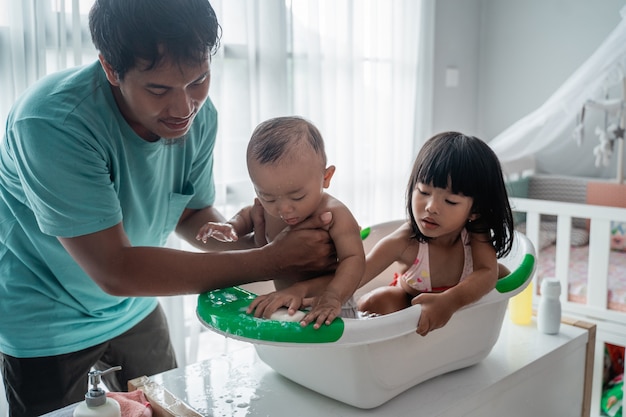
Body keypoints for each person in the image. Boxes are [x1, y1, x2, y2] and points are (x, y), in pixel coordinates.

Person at [0, 1, 336, 416]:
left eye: (198, 81)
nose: (183, 109)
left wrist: (259, 240)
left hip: (136, 307)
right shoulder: (51, 123)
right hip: (47, 318)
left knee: (171, 409)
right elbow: (116, 270)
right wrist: (271, 260)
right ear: (110, 68)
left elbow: (190, 215)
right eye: (158, 90)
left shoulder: (198, 115)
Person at [197, 116, 365, 329]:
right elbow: (247, 216)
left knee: (337, 355)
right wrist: (231, 227)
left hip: (329, 304)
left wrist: (333, 296)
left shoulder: (334, 214)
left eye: (297, 197)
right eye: (268, 197)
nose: (283, 209)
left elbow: (355, 259)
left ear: (326, 177)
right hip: (285, 304)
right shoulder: (269, 209)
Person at [356, 131, 514, 336]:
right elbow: (357, 274)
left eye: (450, 201)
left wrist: (451, 301)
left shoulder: (476, 232)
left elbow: (486, 272)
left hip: (462, 299)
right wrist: (321, 295)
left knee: (499, 273)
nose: (431, 207)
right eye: (423, 192)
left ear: (474, 212)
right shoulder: (405, 241)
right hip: (411, 300)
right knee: (373, 302)